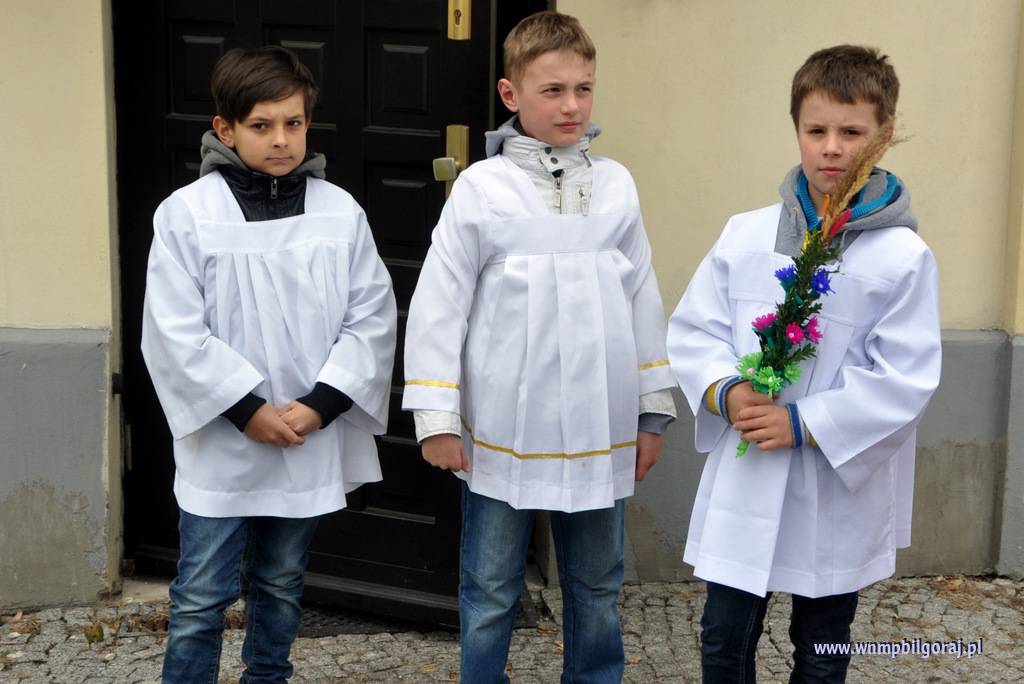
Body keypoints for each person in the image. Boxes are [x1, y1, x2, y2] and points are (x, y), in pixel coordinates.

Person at [402, 11, 677, 683]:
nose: (571, 106)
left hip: (600, 422)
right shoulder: (481, 188)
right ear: (511, 93)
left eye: (583, 89)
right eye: (552, 90)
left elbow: (642, 297)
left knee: (597, 583)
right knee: (490, 585)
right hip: (502, 427)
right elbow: (440, 303)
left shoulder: (616, 184)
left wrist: (651, 411)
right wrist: (437, 418)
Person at [666, 45, 942, 682]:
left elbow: (905, 377)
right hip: (750, 471)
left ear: (883, 136)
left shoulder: (901, 257)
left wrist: (803, 422)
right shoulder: (745, 235)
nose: (832, 148)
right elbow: (696, 328)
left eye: (852, 132)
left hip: (833, 480)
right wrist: (727, 391)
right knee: (723, 638)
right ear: (796, 129)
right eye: (816, 131)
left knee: (821, 645)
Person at [141, 45, 397, 683]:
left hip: (306, 431)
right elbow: (172, 332)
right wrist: (245, 409)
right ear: (225, 129)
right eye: (261, 125)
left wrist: (320, 405)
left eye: (294, 123)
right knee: (201, 596)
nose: (281, 139)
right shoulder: (187, 215)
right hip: (223, 438)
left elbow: (371, 316)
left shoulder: (339, 212)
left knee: (281, 583)